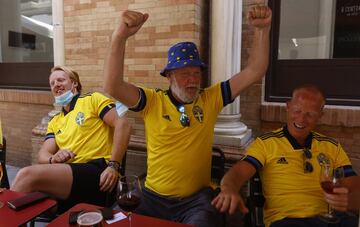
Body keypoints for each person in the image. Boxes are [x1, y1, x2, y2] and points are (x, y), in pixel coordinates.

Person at [103, 5, 272, 227]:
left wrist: (262, 31)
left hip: (195, 201)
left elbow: (255, 71)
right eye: (184, 74)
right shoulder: (153, 101)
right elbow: (112, 86)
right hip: (151, 197)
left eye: (196, 73)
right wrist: (120, 36)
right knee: (113, 223)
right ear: (169, 76)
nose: (192, 79)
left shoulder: (211, 99)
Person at [212, 84, 360, 227]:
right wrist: (229, 188)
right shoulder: (266, 143)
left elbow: (354, 184)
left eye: (310, 114)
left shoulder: (331, 146)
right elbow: (238, 172)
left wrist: (352, 201)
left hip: (331, 219)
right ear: (288, 108)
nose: (301, 119)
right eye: (297, 111)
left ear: (320, 115)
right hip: (288, 220)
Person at [11, 66, 131, 212]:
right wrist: (53, 159)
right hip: (70, 174)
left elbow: (123, 124)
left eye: (61, 80)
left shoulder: (92, 99)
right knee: (27, 197)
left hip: (99, 174)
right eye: (52, 83)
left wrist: (113, 166)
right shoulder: (55, 121)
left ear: (74, 83)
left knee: (26, 176)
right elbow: (43, 155)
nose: (56, 84)